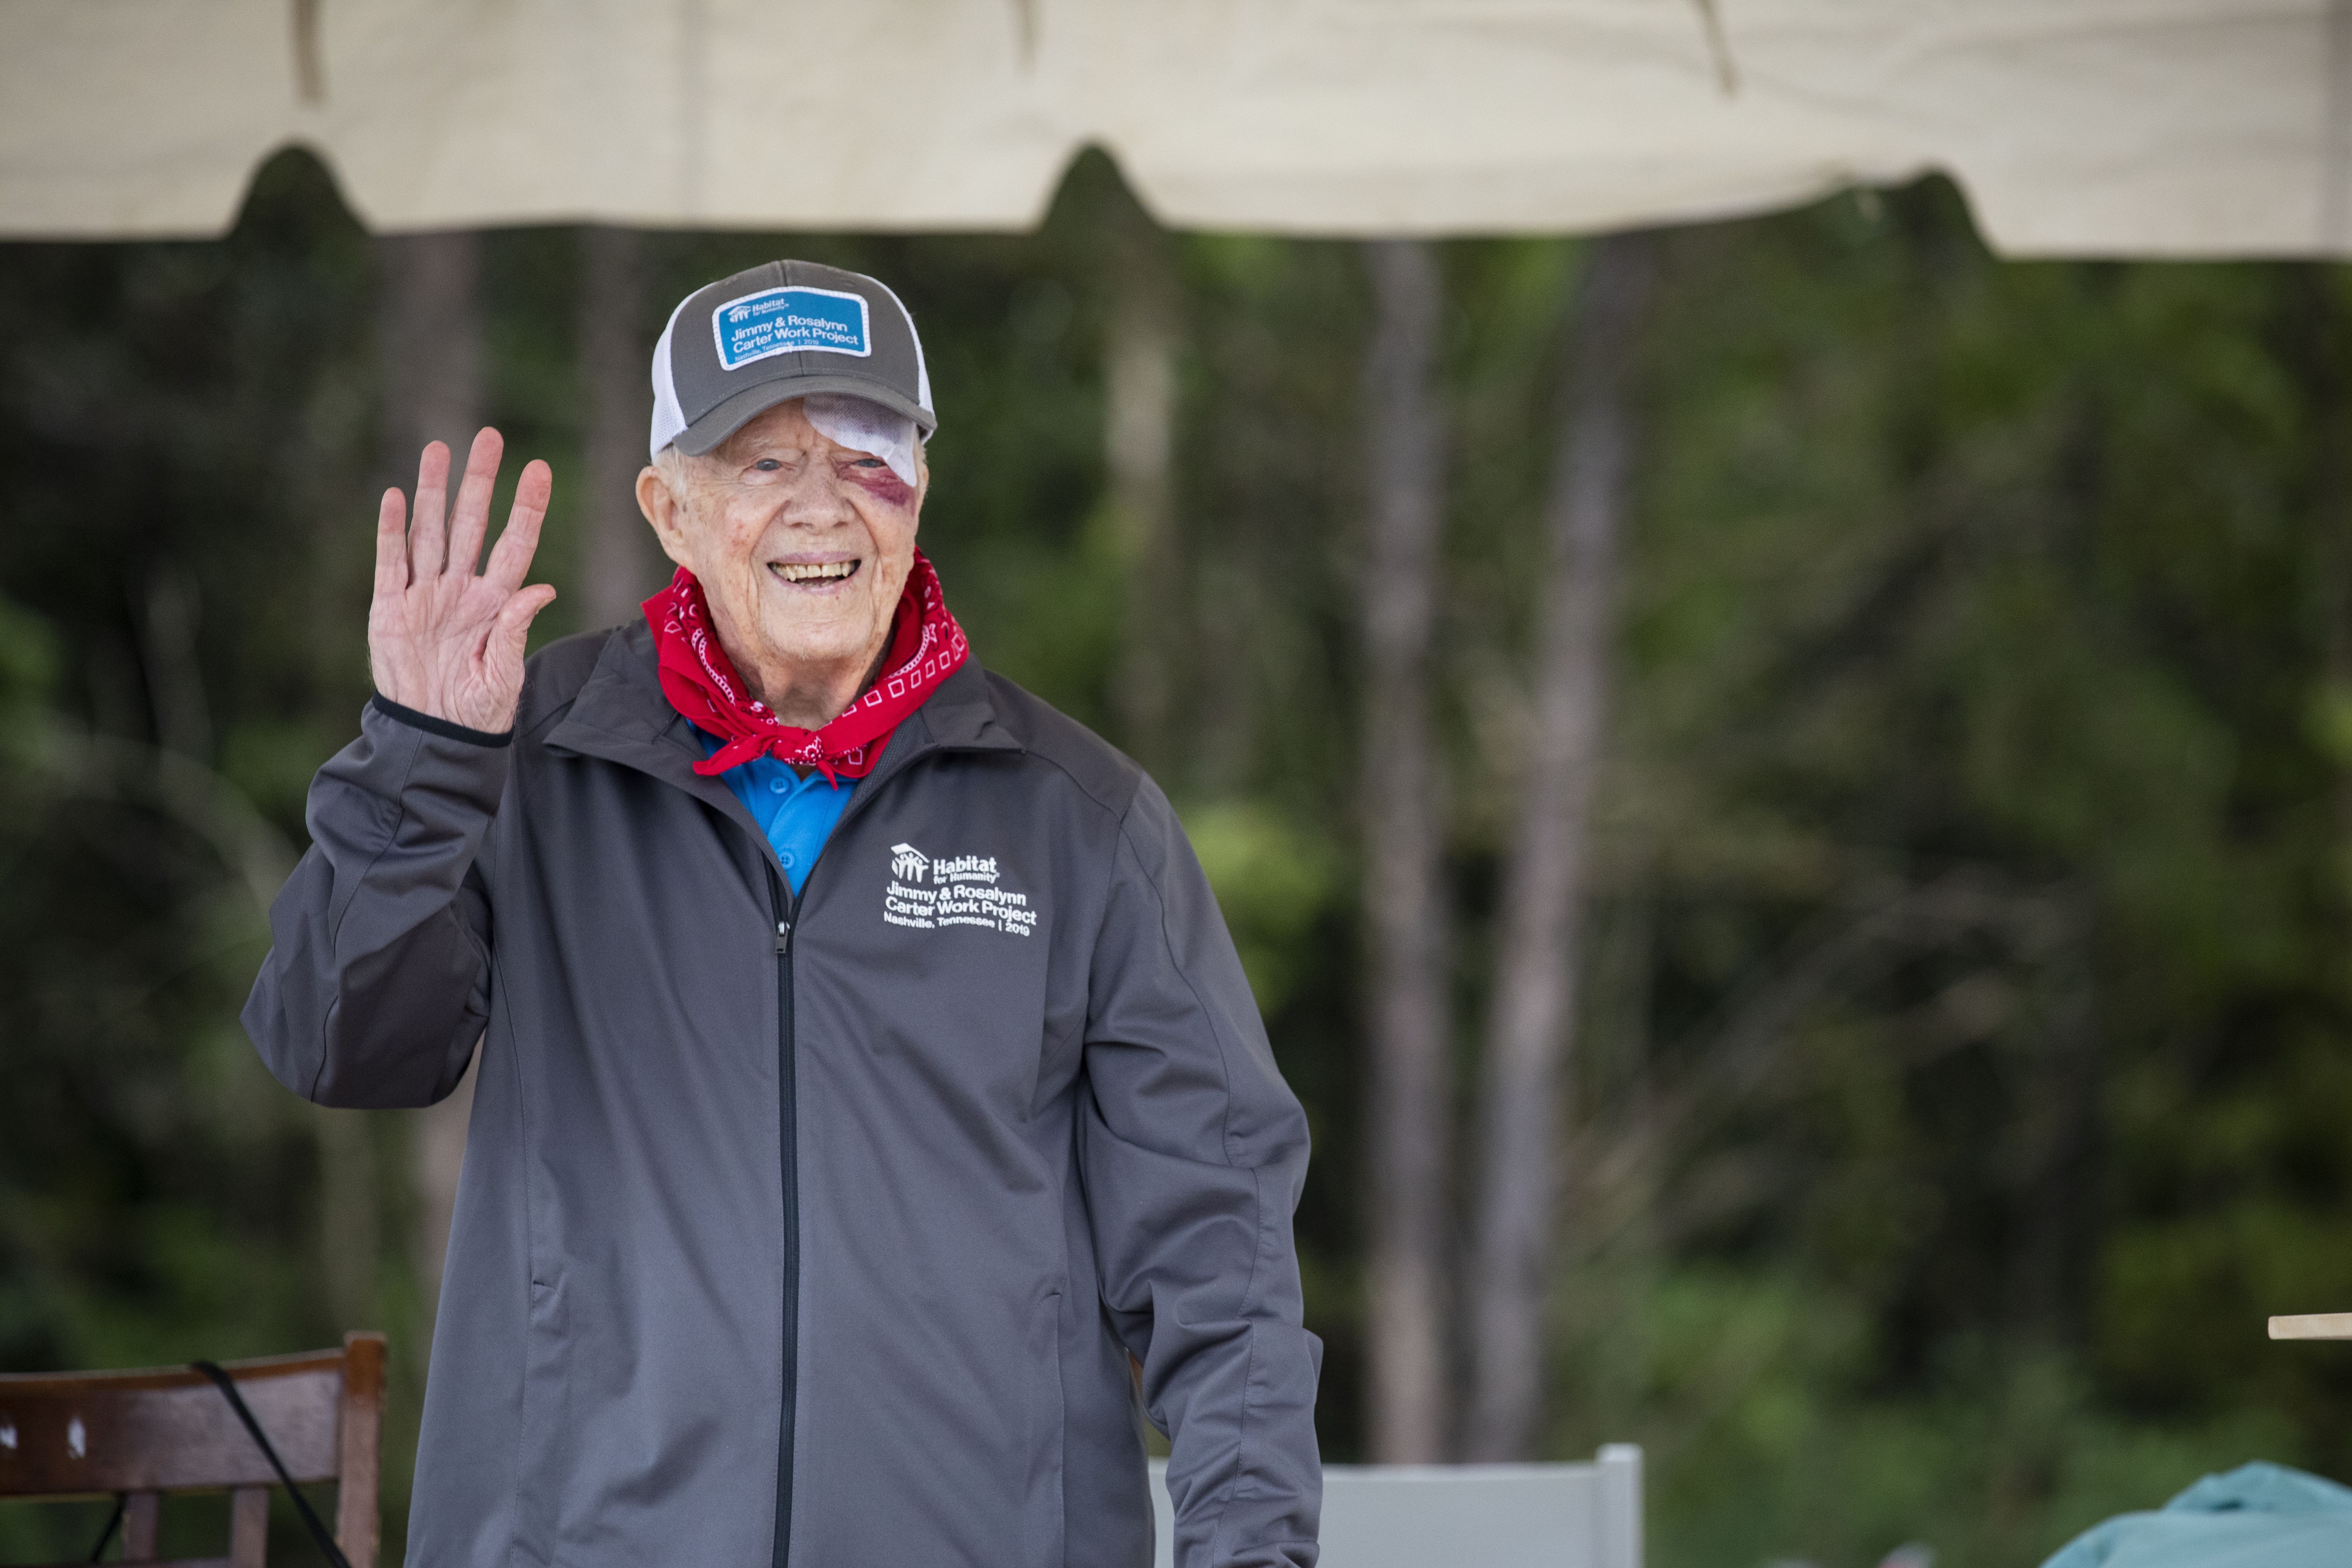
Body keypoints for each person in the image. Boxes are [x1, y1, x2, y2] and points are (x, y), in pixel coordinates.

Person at [243, 260, 1322, 1567]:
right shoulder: (520, 761)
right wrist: (420, 754)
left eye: (866, 453)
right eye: (762, 462)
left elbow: (1226, 1253)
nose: (823, 506)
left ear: (919, 486)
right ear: (670, 507)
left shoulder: (1080, 820)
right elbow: (337, 1044)